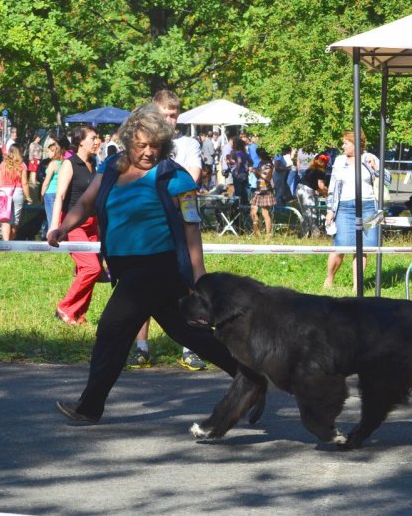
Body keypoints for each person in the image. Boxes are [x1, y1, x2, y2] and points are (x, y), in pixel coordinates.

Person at [48, 104, 267, 424]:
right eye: (141, 145)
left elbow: (192, 227)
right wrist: (64, 227)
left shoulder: (174, 177)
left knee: (112, 328)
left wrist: (199, 274)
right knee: (187, 333)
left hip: (157, 267)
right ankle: (250, 376)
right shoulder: (110, 168)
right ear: (127, 141)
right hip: (128, 268)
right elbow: (86, 202)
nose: (148, 152)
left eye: (155, 145)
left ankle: (89, 406)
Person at [128, 89, 207, 371]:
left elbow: (191, 178)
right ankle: (141, 347)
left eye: (174, 116)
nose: (171, 121)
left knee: (188, 283)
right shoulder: (143, 144)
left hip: (176, 222)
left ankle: (191, 348)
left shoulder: (188, 144)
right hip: (147, 225)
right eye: (166, 115)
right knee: (141, 289)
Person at [49, 125, 101, 325]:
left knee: (85, 271)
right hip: (74, 225)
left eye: (98, 138)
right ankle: (65, 307)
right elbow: (60, 196)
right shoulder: (69, 164)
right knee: (91, 268)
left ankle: (78, 314)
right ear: (80, 141)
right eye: (93, 138)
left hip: (93, 225)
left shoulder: (93, 164)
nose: (97, 141)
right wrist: (55, 226)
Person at [324, 130, 381, 291]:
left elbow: (386, 179)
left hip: (369, 207)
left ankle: (357, 287)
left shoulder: (369, 158)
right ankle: (329, 280)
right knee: (340, 246)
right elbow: (333, 186)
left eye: (345, 143)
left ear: (356, 144)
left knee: (364, 248)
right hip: (344, 207)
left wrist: (375, 168)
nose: (342, 146)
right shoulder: (340, 160)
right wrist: (330, 210)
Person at [0, 145, 32, 241]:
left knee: (5, 220)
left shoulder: (2, 165)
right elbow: (25, 183)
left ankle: (6, 243)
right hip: (17, 192)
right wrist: (28, 197)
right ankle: (11, 242)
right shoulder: (22, 165)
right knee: (15, 220)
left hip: (4, 193)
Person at [295, 153, 329, 237]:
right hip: (306, 191)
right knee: (311, 213)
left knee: (305, 212)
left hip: (299, 188)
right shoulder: (320, 171)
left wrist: (322, 192)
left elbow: (315, 186)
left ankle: (304, 234)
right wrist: (329, 193)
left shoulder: (310, 169)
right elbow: (320, 186)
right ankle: (316, 234)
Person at [40, 135, 66, 234]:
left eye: (49, 152)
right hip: (59, 191)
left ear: (54, 152)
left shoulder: (53, 164)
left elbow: (46, 181)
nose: (48, 154)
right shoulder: (63, 163)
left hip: (50, 193)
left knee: (51, 216)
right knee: (59, 216)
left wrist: (42, 194)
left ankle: (51, 235)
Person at [249, 149, 275, 237]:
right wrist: (254, 171)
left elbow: (266, 177)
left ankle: (268, 235)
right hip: (258, 189)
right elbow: (258, 176)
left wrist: (256, 171)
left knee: (265, 213)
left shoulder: (269, 164)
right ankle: (257, 233)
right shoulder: (261, 163)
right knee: (253, 211)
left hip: (265, 190)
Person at [231, 136, 252, 206]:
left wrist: (237, 170)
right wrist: (247, 167)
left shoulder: (237, 153)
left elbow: (239, 161)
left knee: (238, 191)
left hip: (239, 173)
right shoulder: (245, 153)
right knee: (244, 190)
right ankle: (245, 205)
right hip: (244, 173)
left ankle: (238, 206)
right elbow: (251, 162)